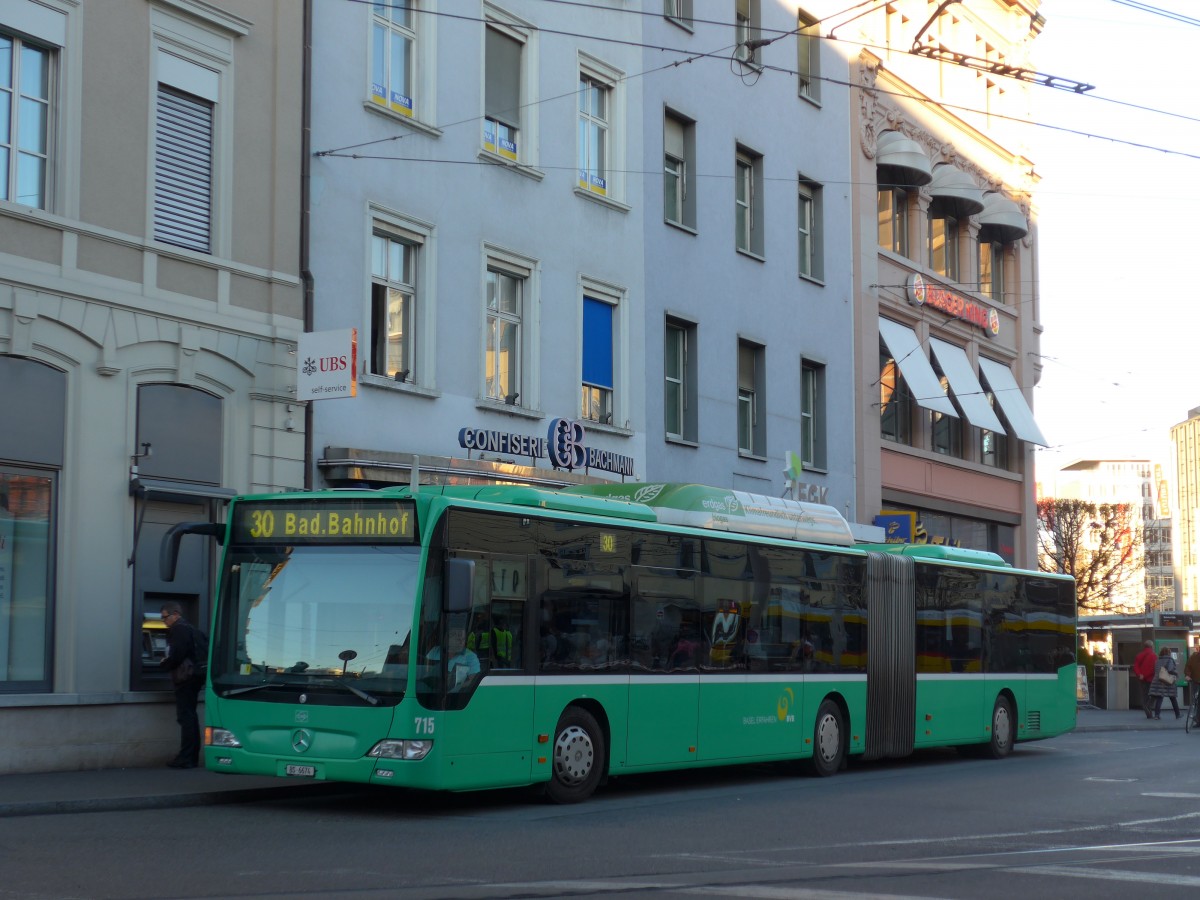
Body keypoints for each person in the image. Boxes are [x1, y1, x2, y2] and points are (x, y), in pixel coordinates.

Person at [158, 602, 207, 768]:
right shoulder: (192, 628)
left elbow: (177, 655)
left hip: (186, 678)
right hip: (196, 676)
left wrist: (163, 664)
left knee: (185, 717)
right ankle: (191, 756)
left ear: (175, 614)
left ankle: (186, 757)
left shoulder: (179, 629)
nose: (164, 621)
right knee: (190, 716)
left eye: (165, 617)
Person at [1148, 645, 1181, 720]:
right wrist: (1176, 673)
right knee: (1173, 698)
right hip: (1167, 681)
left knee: (1159, 698)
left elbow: (1156, 670)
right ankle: (1177, 714)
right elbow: (1170, 669)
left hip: (1158, 680)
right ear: (1169, 653)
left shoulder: (1157, 660)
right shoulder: (1170, 660)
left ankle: (1156, 715)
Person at [1133, 640, 1158, 720]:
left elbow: (1136, 666)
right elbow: (1153, 669)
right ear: (1152, 646)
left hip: (1142, 679)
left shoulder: (1139, 655)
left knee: (1145, 695)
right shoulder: (1154, 656)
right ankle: (1149, 708)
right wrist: (1145, 675)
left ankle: (1148, 712)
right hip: (1151, 679)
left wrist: (1140, 674)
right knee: (1154, 694)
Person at [1183, 650, 1200, 726]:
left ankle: (1198, 718)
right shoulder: (1194, 657)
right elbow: (1188, 667)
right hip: (1195, 681)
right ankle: (1198, 719)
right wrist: (1187, 675)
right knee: (1195, 700)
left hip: (1195, 680)